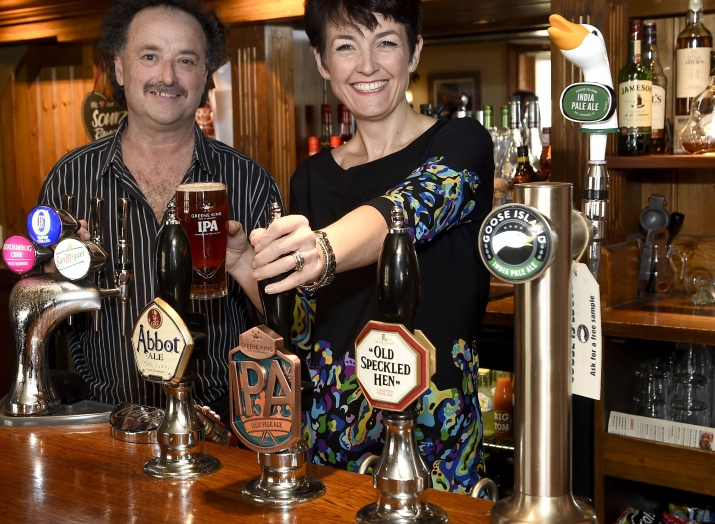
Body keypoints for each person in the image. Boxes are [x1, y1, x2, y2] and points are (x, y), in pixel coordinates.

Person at [227, 0, 494, 494]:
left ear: (414, 52)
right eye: (346, 46)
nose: (367, 65)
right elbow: (305, 332)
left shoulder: (462, 144)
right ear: (323, 62)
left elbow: (409, 208)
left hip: (431, 439)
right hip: (329, 441)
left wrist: (322, 250)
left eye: (385, 43)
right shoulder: (311, 177)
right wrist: (247, 266)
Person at [38, 0, 282, 420]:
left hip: (220, 422)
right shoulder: (69, 179)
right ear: (119, 67)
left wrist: (250, 271)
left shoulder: (249, 180)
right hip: (102, 421)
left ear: (205, 75)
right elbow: (44, 316)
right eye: (150, 56)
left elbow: (288, 321)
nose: (167, 76)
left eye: (185, 60)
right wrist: (54, 281)